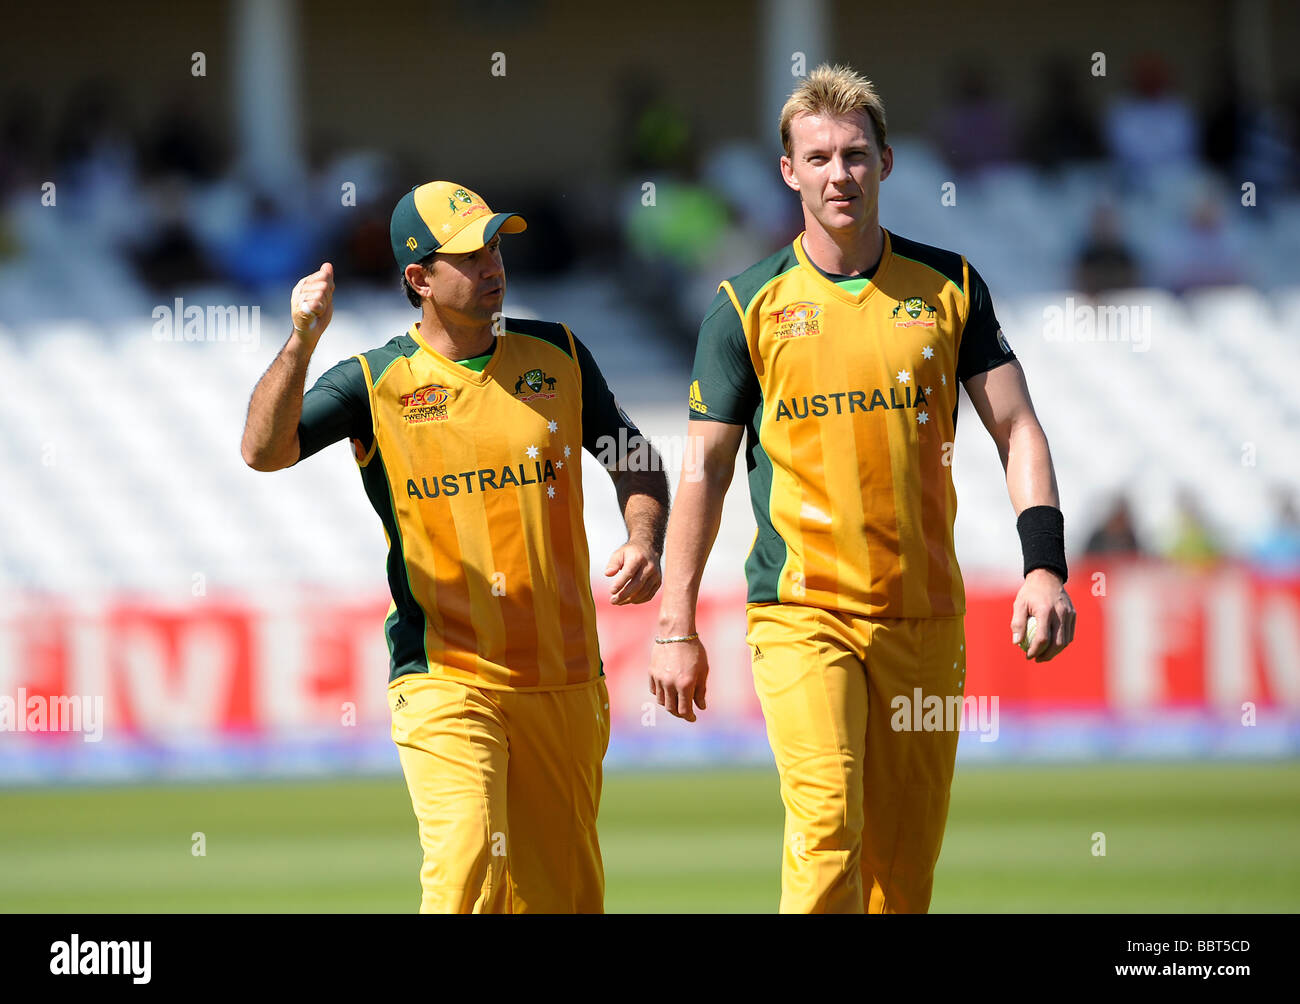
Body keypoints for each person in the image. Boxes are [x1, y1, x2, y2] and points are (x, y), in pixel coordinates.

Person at [649, 65, 1076, 914]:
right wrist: (675, 621)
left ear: (885, 160)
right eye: (818, 158)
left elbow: (1017, 426)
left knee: (902, 874)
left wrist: (1045, 566)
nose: (837, 173)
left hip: (924, 616)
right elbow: (705, 467)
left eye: (853, 155)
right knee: (828, 825)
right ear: (789, 172)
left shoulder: (950, 287)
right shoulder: (745, 306)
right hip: (802, 613)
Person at [240, 180, 669, 913]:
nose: (493, 263)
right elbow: (262, 450)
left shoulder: (559, 353)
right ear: (419, 279)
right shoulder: (374, 382)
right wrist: (303, 340)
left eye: (496, 245)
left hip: (563, 677)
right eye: (469, 255)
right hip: (445, 673)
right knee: (466, 864)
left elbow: (633, 456)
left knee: (560, 898)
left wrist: (644, 536)